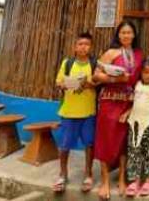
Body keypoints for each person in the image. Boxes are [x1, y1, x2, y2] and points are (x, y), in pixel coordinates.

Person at [92, 21, 144, 200]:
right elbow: (96, 75)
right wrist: (115, 79)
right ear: (118, 35)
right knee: (106, 140)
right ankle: (105, 181)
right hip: (109, 101)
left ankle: (122, 178)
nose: (126, 36)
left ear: (134, 35)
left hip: (129, 102)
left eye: (129, 32)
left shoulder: (138, 54)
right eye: (123, 33)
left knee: (123, 142)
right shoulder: (110, 53)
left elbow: (142, 78)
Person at [52, 32, 97, 193]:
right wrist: (67, 84)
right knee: (65, 145)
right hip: (69, 112)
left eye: (87, 44)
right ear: (75, 46)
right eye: (80, 44)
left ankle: (88, 174)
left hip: (88, 111)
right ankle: (63, 174)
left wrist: (88, 84)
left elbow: (98, 82)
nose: (83, 47)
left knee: (89, 145)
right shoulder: (68, 63)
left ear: (90, 47)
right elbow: (59, 82)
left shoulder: (94, 64)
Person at [121, 58, 149, 197]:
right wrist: (127, 113)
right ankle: (135, 181)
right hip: (134, 123)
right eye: (145, 72)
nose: (148, 75)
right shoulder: (137, 84)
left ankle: (148, 181)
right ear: (141, 73)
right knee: (134, 152)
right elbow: (134, 103)